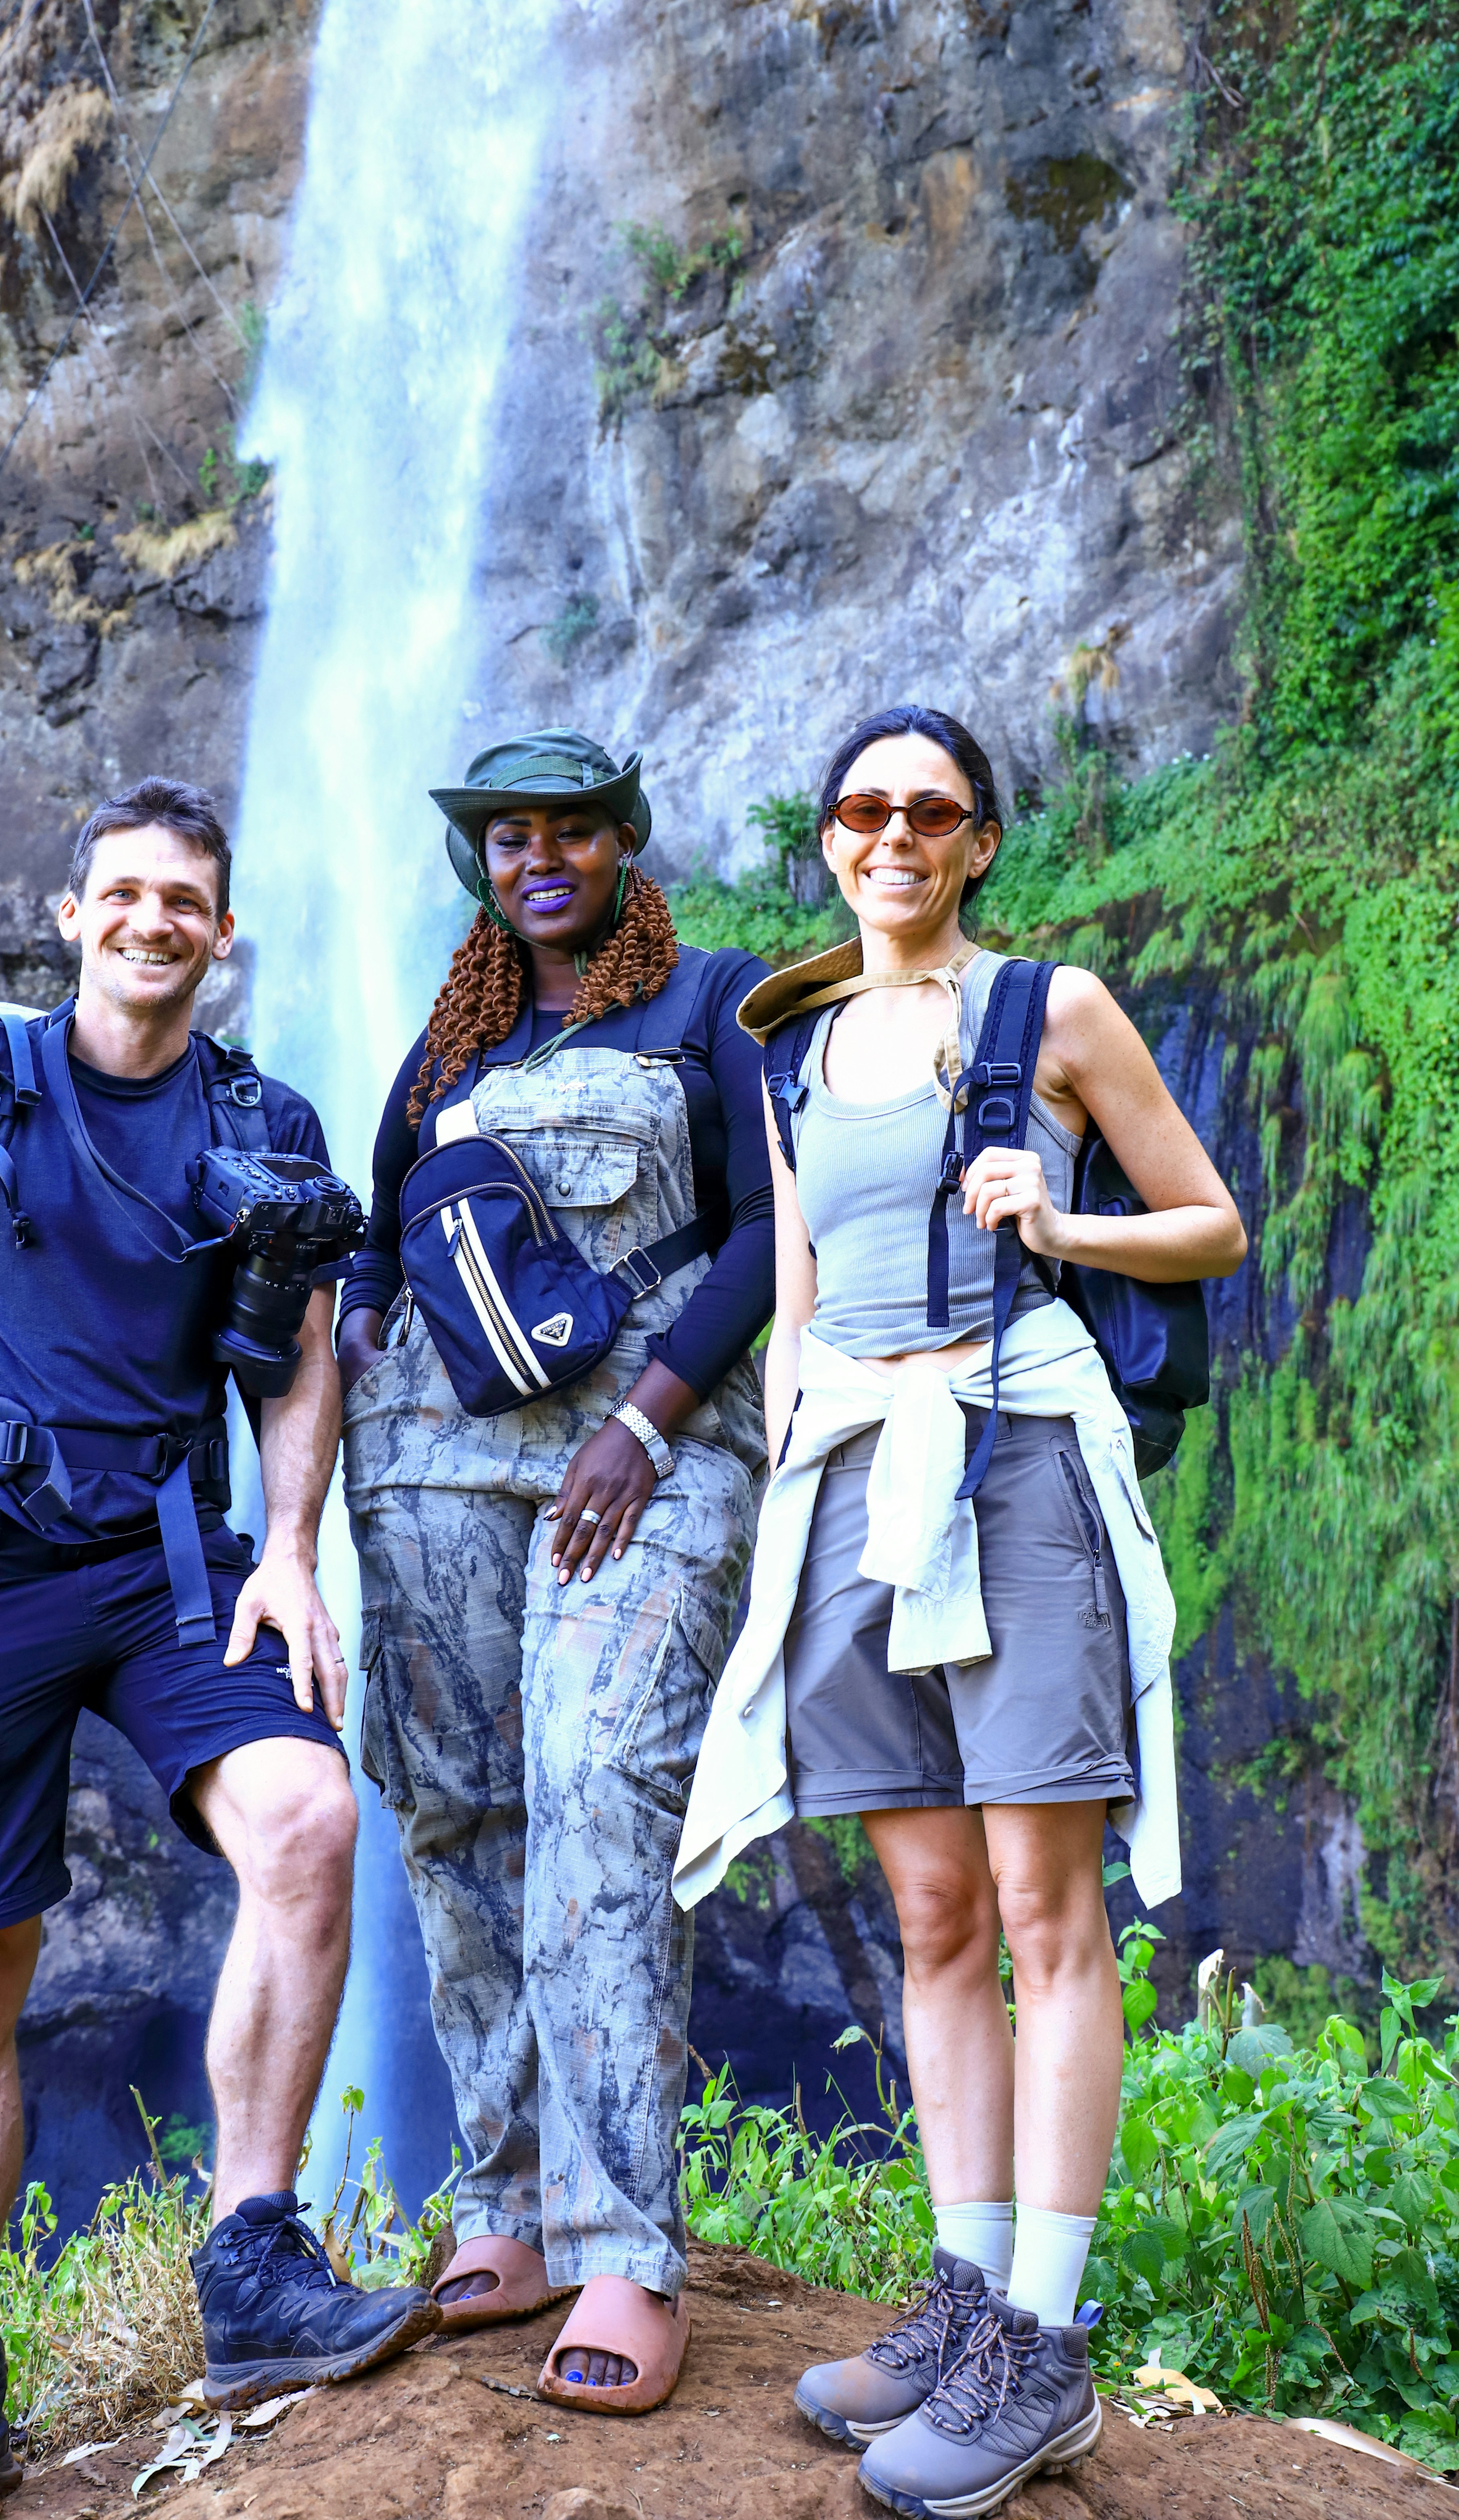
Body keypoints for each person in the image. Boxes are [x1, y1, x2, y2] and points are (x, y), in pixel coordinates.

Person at [0, 779, 437, 2520]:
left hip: (175, 1560)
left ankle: (252, 2267)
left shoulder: (267, 1117)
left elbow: (296, 1364)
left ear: (222, 933)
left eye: (187, 899)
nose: (153, 920)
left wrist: (294, 1555)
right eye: (125, 893)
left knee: (310, 1819)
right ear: (73, 912)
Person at [672, 705, 1246, 2513]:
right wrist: (785, 1502)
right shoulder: (793, 1043)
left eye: (929, 809)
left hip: (1012, 1461)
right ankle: (966, 2292)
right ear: (828, 841)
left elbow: (1211, 1223)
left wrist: (1060, 1225)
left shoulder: (1046, 1013)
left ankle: (1045, 2352)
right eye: (862, 808)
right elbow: (800, 1288)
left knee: (1038, 1906)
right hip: (849, 1474)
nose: (893, 835)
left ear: (979, 839)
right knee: (928, 1910)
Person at [339, 729, 773, 2415]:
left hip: (637, 1459)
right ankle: (503, 2208)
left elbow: (762, 1230)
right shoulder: (445, 1049)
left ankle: (619, 2252)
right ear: (483, 864)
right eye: (509, 834)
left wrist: (654, 1420)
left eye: (570, 831)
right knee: (455, 1810)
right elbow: (386, 1231)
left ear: (620, 843)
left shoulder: (710, 1007)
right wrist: (366, 1319)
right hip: (432, 1469)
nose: (538, 857)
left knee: (594, 1783)